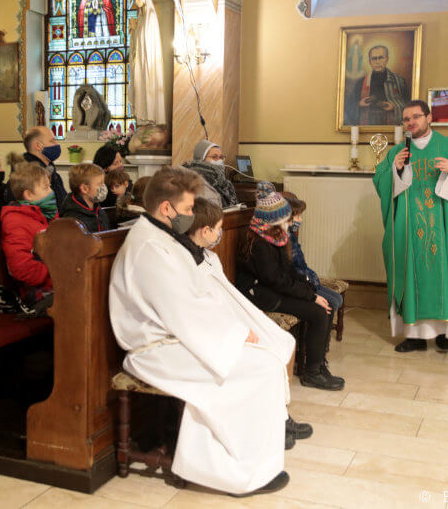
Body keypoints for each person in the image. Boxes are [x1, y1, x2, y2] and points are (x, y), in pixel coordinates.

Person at [109, 167, 296, 497]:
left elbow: (193, 300)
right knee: (255, 369)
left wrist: (236, 333)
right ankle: (230, 471)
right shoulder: (150, 248)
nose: (190, 216)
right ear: (165, 208)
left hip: (179, 337)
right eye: (186, 209)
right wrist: (235, 337)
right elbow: (183, 311)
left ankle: (254, 456)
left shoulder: (162, 237)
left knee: (264, 359)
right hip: (156, 350)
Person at [373, 100, 448, 352]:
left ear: (429, 117)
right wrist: (395, 169)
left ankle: (446, 334)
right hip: (409, 228)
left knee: (444, 273)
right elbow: (380, 180)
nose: (411, 122)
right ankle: (414, 337)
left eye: (416, 117)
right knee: (410, 272)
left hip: (441, 227)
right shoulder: (398, 151)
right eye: (406, 119)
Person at [236, 182, 344, 391]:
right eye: (285, 218)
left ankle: (318, 364)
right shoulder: (259, 243)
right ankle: (311, 372)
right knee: (319, 312)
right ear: (273, 221)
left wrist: (310, 290)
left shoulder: (276, 237)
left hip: (273, 289)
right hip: (260, 294)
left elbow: (289, 271)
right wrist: (310, 297)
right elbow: (274, 279)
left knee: (324, 305)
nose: (290, 222)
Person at [0, 163, 58, 315]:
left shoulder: (47, 216)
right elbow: (21, 267)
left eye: (50, 186)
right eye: (46, 188)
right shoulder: (15, 220)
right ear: (29, 195)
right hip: (36, 293)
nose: (51, 191)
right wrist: (57, 273)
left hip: (56, 284)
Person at [285, 195, 344, 325]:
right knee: (332, 303)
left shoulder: (292, 238)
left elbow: (302, 265)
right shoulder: (284, 240)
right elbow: (293, 270)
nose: (300, 220)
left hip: (307, 281)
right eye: (298, 217)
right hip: (300, 284)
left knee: (338, 298)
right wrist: (309, 283)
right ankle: (322, 338)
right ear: (287, 218)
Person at [344, 45, 410, 126]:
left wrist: (394, 106)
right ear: (370, 61)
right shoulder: (360, 83)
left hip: (391, 127)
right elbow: (348, 107)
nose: (377, 62)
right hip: (367, 127)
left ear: (387, 59)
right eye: (374, 58)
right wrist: (359, 104)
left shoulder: (399, 81)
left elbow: (409, 106)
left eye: (381, 58)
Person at [183, 139, 239, 208]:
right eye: (214, 157)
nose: (219, 160)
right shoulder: (195, 182)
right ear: (201, 158)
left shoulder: (226, 184)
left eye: (221, 157)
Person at [22, 126, 67, 207]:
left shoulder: (52, 171)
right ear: (38, 145)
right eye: (52, 141)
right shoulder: (27, 175)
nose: (57, 144)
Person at [59, 163, 111, 233]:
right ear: (84, 189)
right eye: (100, 184)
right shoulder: (73, 218)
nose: (104, 187)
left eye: (103, 183)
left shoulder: (98, 209)